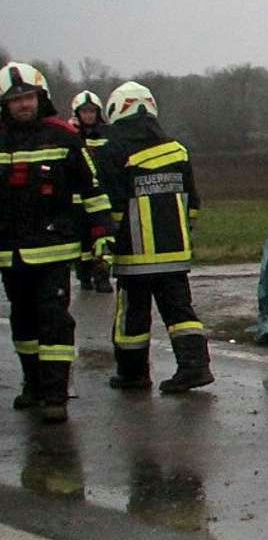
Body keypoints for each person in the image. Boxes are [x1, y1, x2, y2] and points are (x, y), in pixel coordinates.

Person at [0, 63, 111, 423]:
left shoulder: (63, 136)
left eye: (28, 97)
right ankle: (32, 385)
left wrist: (100, 236)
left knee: (55, 322)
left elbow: (92, 191)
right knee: (23, 322)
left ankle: (55, 394)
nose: (23, 105)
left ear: (40, 96)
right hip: (10, 252)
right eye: (15, 100)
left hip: (54, 250)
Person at [97, 82, 213, 393]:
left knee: (131, 318)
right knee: (180, 312)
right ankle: (195, 367)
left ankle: (133, 374)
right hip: (174, 253)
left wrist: (106, 245)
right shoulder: (177, 149)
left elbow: (113, 206)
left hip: (134, 253)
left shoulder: (113, 151)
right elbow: (194, 203)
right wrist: (184, 234)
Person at [69, 92, 113, 293]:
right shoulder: (70, 135)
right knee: (82, 240)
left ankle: (102, 274)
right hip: (76, 198)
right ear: (77, 113)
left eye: (92, 111)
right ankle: (84, 274)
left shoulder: (107, 135)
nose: (89, 115)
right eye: (85, 111)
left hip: (102, 196)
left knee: (103, 236)